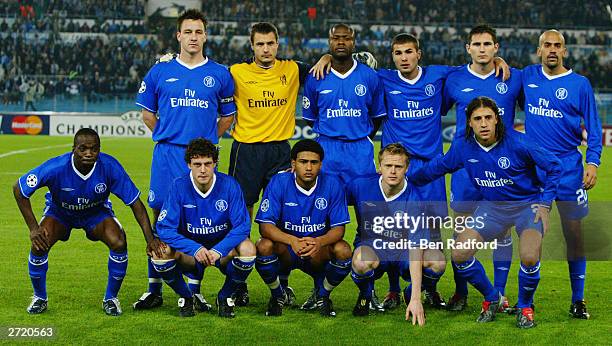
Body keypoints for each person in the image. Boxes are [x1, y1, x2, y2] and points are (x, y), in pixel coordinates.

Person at [410, 96, 562, 329]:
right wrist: (407, 179)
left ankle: (525, 307)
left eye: (488, 118)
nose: (483, 123)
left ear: (497, 119)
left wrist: (545, 204)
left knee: (530, 255)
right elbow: (437, 167)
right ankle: (493, 298)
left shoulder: (520, 143)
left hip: (526, 206)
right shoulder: (463, 147)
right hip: (492, 209)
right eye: (477, 119)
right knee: (460, 253)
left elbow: (554, 166)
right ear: (469, 122)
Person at [134, 9, 236, 310]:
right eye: (188, 31)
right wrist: (169, 135)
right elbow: (147, 115)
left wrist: (203, 145)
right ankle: (154, 288)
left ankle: (194, 289)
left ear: (205, 36)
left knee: (198, 221)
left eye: (198, 32)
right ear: (178, 35)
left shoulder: (219, 73)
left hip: (201, 160)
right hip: (167, 156)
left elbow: (227, 117)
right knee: (159, 221)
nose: (193, 37)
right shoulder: (160, 72)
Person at [13, 128, 161, 316]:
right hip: (60, 213)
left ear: (99, 149)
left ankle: (111, 298)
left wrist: (150, 239)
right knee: (39, 244)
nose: (89, 153)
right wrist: (34, 229)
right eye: (83, 149)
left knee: (119, 241)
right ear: (73, 148)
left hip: (96, 213)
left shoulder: (110, 166)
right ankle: (39, 297)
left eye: (94, 149)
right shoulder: (56, 167)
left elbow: (136, 204)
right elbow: (19, 189)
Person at [522, 29, 602, 319]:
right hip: (535, 173)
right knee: (532, 236)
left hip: (569, 171)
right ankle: (526, 302)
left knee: (574, 235)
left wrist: (592, 163)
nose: (552, 49)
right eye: (547, 45)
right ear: (539, 49)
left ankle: (578, 300)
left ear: (564, 51)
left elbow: (594, 128)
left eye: (557, 45)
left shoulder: (580, 84)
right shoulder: (526, 77)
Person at [442, 25, 523, 311]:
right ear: (468, 48)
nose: (482, 49)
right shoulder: (453, 79)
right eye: (476, 44)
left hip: (502, 169)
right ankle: (461, 292)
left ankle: (499, 294)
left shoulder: (514, 78)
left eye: (487, 44)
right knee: (460, 229)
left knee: (502, 231)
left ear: (496, 48)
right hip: (466, 169)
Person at [153, 138, 255, 318]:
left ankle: (225, 296)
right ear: (188, 165)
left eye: (208, 164)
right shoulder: (178, 186)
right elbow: (164, 228)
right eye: (197, 164)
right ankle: (186, 296)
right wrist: (195, 248)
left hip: (221, 251)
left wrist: (218, 250)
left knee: (248, 248)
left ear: (215, 163)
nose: (202, 170)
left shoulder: (230, 185)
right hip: (190, 253)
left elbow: (242, 226)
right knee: (160, 252)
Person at [349, 143, 446, 325]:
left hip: (403, 253)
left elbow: (416, 249)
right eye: (388, 166)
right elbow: (330, 195)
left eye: (398, 166)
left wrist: (416, 298)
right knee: (361, 261)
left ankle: (411, 293)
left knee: (438, 261)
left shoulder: (415, 200)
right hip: (373, 249)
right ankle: (366, 295)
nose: (393, 171)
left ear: (406, 168)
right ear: (380, 167)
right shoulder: (359, 186)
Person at [254, 139, 352, 317]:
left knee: (344, 250)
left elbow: (339, 230)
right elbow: (265, 226)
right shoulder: (279, 181)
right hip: (287, 248)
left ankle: (322, 295)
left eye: (314, 162)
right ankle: (278, 295)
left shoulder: (332, 184)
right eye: (303, 162)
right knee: (263, 245)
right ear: (293, 163)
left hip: (317, 250)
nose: (308, 167)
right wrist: (292, 240)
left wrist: (318, 241)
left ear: (321, 164)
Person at [302, 23, 386, 189]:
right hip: (326, 150)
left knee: (365, 205)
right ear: (329, 42)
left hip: (360, 150)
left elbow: (377, 116)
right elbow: (310, 117)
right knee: (325, 205)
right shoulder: (316, 76)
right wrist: (330, 133)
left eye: (346, 38)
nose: (341, 42)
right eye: (336, 38)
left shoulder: (369, 76)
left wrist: (364, 136)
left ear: (353, 43)